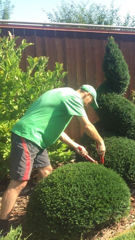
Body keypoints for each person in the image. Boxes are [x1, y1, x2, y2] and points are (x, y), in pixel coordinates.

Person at [0, 84, 105, 234]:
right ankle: (2, 226)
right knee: (19, 182)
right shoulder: (74, 97)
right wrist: (100, 142)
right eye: (90, 102)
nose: (88, 105)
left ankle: (43, 210)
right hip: (28, 136)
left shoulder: (61, 93)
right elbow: (87, 125)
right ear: (87, 94)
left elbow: (59, 132)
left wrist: (76, 145)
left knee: (47, 173)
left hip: (37, 139)